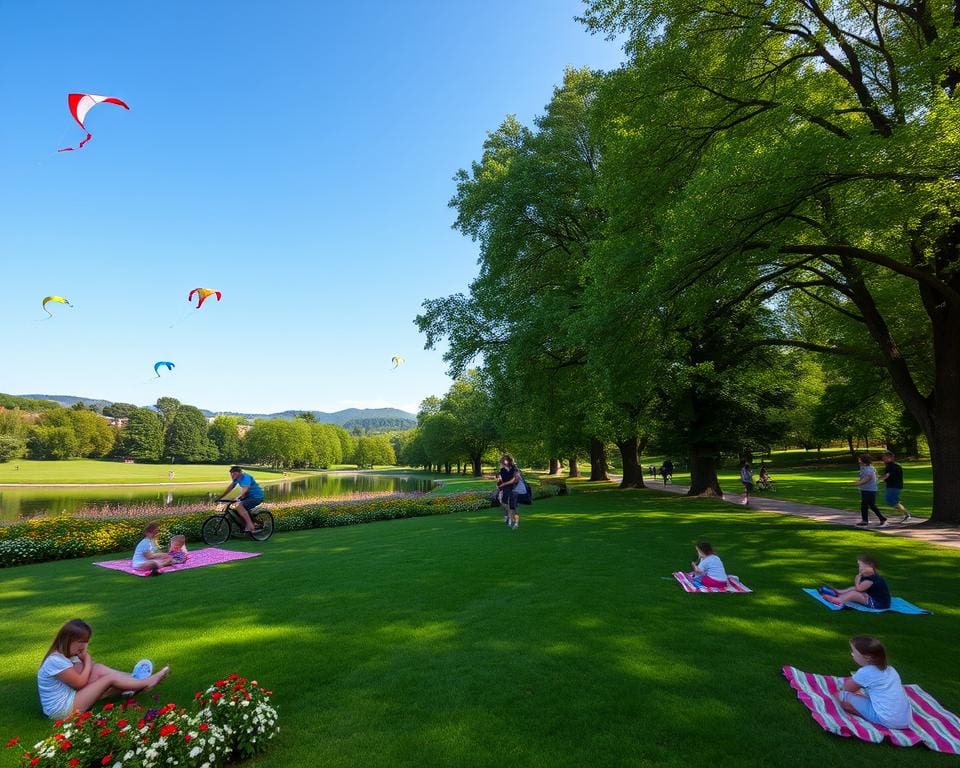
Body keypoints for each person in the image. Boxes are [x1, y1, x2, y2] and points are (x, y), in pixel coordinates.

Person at [37, 619, 170, 719]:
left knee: (98, 669)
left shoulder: (66, 654)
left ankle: (133, 680)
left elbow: (88, 672)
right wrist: (87, 659)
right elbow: (80, 682)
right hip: (61, 710)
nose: (82, 650)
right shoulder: (55, 661)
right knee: (109, 679)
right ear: (68, 640)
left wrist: (85, 661)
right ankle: (145, 682)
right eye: (80, 646)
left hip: (70, 698)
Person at [836, 635, 912, 729]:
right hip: (905, 720)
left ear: (867, 657)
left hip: (888, 719)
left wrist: (853, 681)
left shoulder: (866, 672)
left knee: (840, 696)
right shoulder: (891, 669)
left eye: (854, 652)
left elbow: (846, 688)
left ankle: (867, 716)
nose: (852, 654)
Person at [818, 555, 891, 609]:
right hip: (873, 597)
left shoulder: (871, 580)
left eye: (861, 566)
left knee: (854, 594)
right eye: (859, 566)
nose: (859, 568)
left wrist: (857, 579)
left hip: (878, 603)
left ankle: (838, 600)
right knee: (854, 589)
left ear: (869, 566)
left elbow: (858, 588)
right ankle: (839, 592)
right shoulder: (870, 575)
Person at [220, 465, 265, 534]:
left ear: (239, 472)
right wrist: (220, 497)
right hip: (248, 497)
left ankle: (250, 526)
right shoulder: (237, 478)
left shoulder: (246, 477)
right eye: (231, 474)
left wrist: (238, 497)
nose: (232, 476)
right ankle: (245, 525)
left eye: (234, 474)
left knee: (240, 506)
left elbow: (245, 490)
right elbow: (230, 487)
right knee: (236, 511)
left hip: (256, 496)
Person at [851, 455, 888, 528]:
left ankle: (865, 521)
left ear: (863, 461)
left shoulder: (868, 469)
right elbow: (867, 477)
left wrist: (857, 483)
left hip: (869, 490)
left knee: (865, 505)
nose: (858, 461)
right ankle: (881, 518)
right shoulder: (865, 468)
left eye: (860, 459)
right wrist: (859, 482)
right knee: (871, 505)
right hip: (866, 489)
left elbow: (867, 478)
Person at [880, 450, 911, 523]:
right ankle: (906, 514)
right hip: (893, 486)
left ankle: (907, 514)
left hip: (894, 486)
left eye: (884, 457)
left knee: (890, 501)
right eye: (883, 458)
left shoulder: (892, 466)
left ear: (890, 457)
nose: (883, 459)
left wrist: (877, 480)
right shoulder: (892, 465)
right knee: (894, 501)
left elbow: (887, 475)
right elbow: (889, 476)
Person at [497, 454, 520, 529]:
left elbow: (514, 480)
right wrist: (499, 481)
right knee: (503, 503)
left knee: (513, 507)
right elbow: (500, 480)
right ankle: (509, 516)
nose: (504, 461)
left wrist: (503, 483)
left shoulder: (514, 468)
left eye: (505, 459)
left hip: (514, 489)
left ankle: (516, 523)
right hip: (505, 489)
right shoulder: (502, 470)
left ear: (509, 460)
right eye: (503, 460)